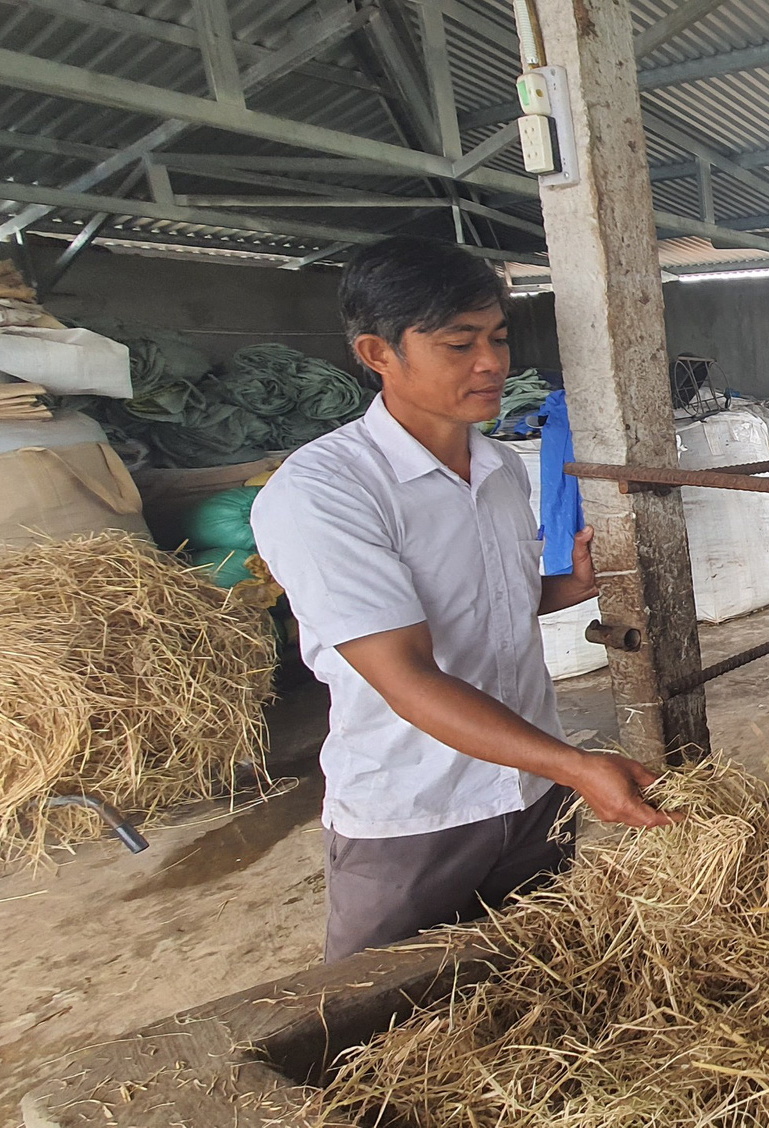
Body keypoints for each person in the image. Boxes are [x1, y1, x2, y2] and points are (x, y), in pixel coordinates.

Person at [254, 236, 679, 962]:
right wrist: (577, 766)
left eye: (498, 337)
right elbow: (407, 676)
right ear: (377, 352)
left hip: (530, 797)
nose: (491, 363)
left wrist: (570, 586)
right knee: (375, 1030)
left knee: (538, 978)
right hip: (415, 814)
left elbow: (489, 604)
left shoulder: (499, 471)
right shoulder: (326, 492)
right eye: (459, 344)